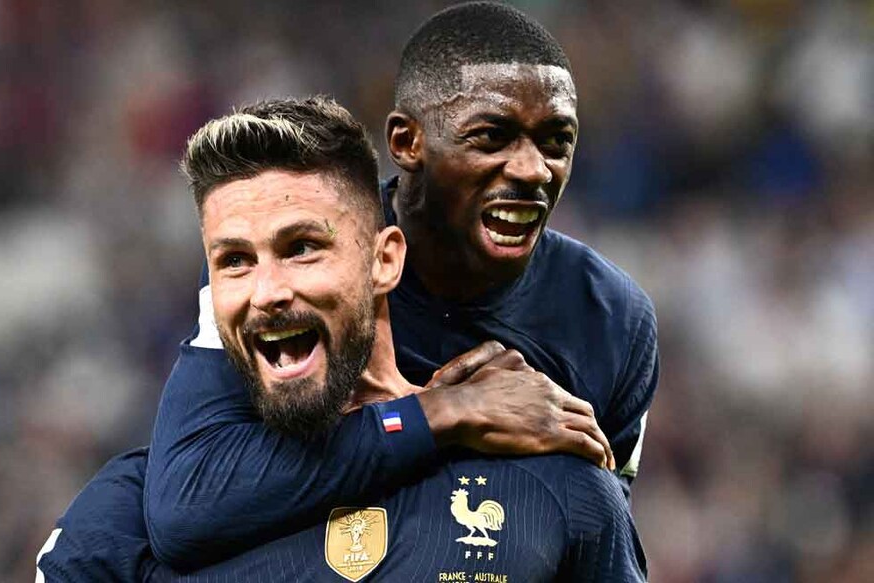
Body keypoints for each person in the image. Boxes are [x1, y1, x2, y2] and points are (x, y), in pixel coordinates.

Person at [38, 96, 645, 581]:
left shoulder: (557, 495)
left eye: (302, 248)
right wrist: (431, 415)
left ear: (384, 260)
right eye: (235, 261)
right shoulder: (122, 521)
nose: (267, 290)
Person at [142, 0, 659, 568]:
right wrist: (445, 413)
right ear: (407, 142)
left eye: (556, 141)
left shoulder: (613, 321)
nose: (533, 169)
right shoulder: (290, 270)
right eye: (492, 137)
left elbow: (588, 534)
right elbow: (188, 503)